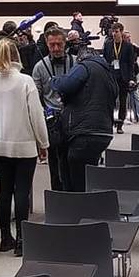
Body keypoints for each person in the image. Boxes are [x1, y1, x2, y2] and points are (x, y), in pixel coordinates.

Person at [0, 38, 48, 253]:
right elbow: (36, 115)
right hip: (24, 143)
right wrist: (43, 142)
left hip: (0, 143)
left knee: (4, 191)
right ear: (16, 55)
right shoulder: (25, 81)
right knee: (22, 191)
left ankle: (5, 238)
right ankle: (22, 240)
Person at [52, 40, 118, 191]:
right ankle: (88, 207)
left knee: (77, 181)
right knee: (88, 173)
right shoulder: (108, 72)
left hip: (83, 132)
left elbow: (66, 85)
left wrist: (54, 81)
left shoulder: (85, 66)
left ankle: (78, 210)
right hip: (103, 132)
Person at [32, 25, 77, 189]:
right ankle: (57, 197)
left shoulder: (75, 62)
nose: (56, 48)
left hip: (73, 118)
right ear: (46, 44)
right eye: (52, 45)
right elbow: (35, 97)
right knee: (55, 163)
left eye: (59, 44)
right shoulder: (39, 67)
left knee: (72, 160)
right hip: (51, 121)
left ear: (65, 43)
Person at [103, 22, 139, 133]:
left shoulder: (128, 46)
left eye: (116, 32)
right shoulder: (108, 44)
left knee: (123, 102)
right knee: (109, 102)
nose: (114, 34)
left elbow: (131, 63)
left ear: (121, 32)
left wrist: (131, 78)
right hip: (111, 76)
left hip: (123, 77)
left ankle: (120, 125)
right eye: (113, 32)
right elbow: (105, 60)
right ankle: (109, 123)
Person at [124, 29, 139, 123]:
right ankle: (124, 117)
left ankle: (138, 117)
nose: (129, 39)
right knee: (125, 98)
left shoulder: (133, 47)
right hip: (125, 75)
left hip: (133, 74)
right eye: (127, 37)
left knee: (135, 96)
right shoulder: (122, 48)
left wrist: (137, 47)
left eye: (130, 37)